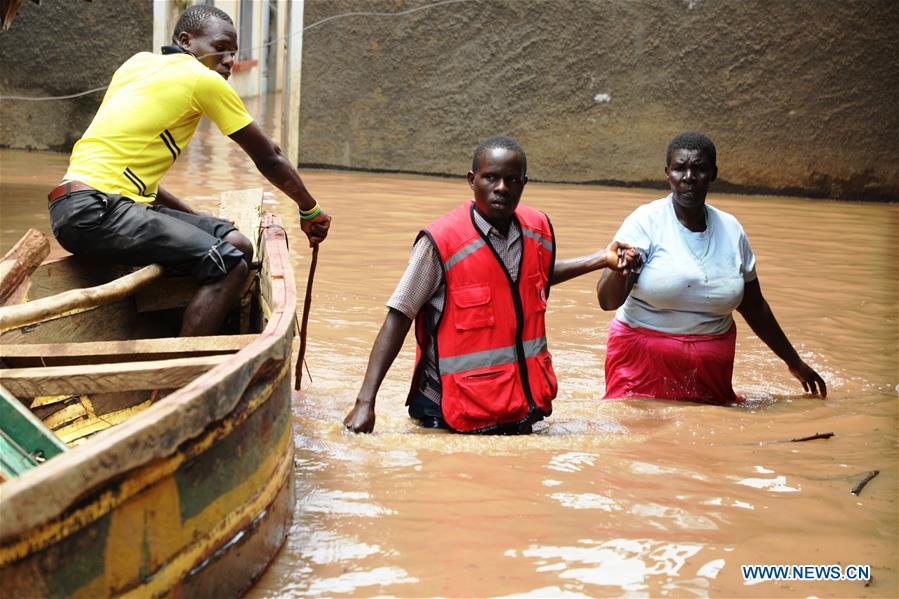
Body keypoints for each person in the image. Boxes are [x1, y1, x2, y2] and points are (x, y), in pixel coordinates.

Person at [47, 5, 330, 336]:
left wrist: (198, 219)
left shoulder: (136, 64)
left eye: (233, 53)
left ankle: (197, 327)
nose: (228, 60)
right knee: (228, 265)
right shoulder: (203, 80)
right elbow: (268, 157)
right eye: (219, 48)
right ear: (186, 41)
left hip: (79, 207)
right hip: (97, 211)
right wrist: (310, 209)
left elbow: (138, 183)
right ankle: (178, 367)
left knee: (237, 245)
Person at [344, 136, 638, 434]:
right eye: (491, 178)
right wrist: (365, 402)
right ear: (472, 181)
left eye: (512, 180)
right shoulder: (441, 242)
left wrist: (602, 259)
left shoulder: (536, 229)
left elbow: (537, 276)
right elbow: (399, 315)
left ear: (524, 182)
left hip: (517, 407)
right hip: (447, 412)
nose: (502, 188)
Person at [596, 131, 826, 402]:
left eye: (700, 169)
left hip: (711, 368)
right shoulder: (645, 222)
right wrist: (621, 271)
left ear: (713, 173)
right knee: (643, 438)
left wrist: (794, 362)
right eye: (680, 168)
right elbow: (607, 301)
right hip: (641, 361)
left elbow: (754, 306)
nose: (689, 177)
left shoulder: (731, 230)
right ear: (667, 174)